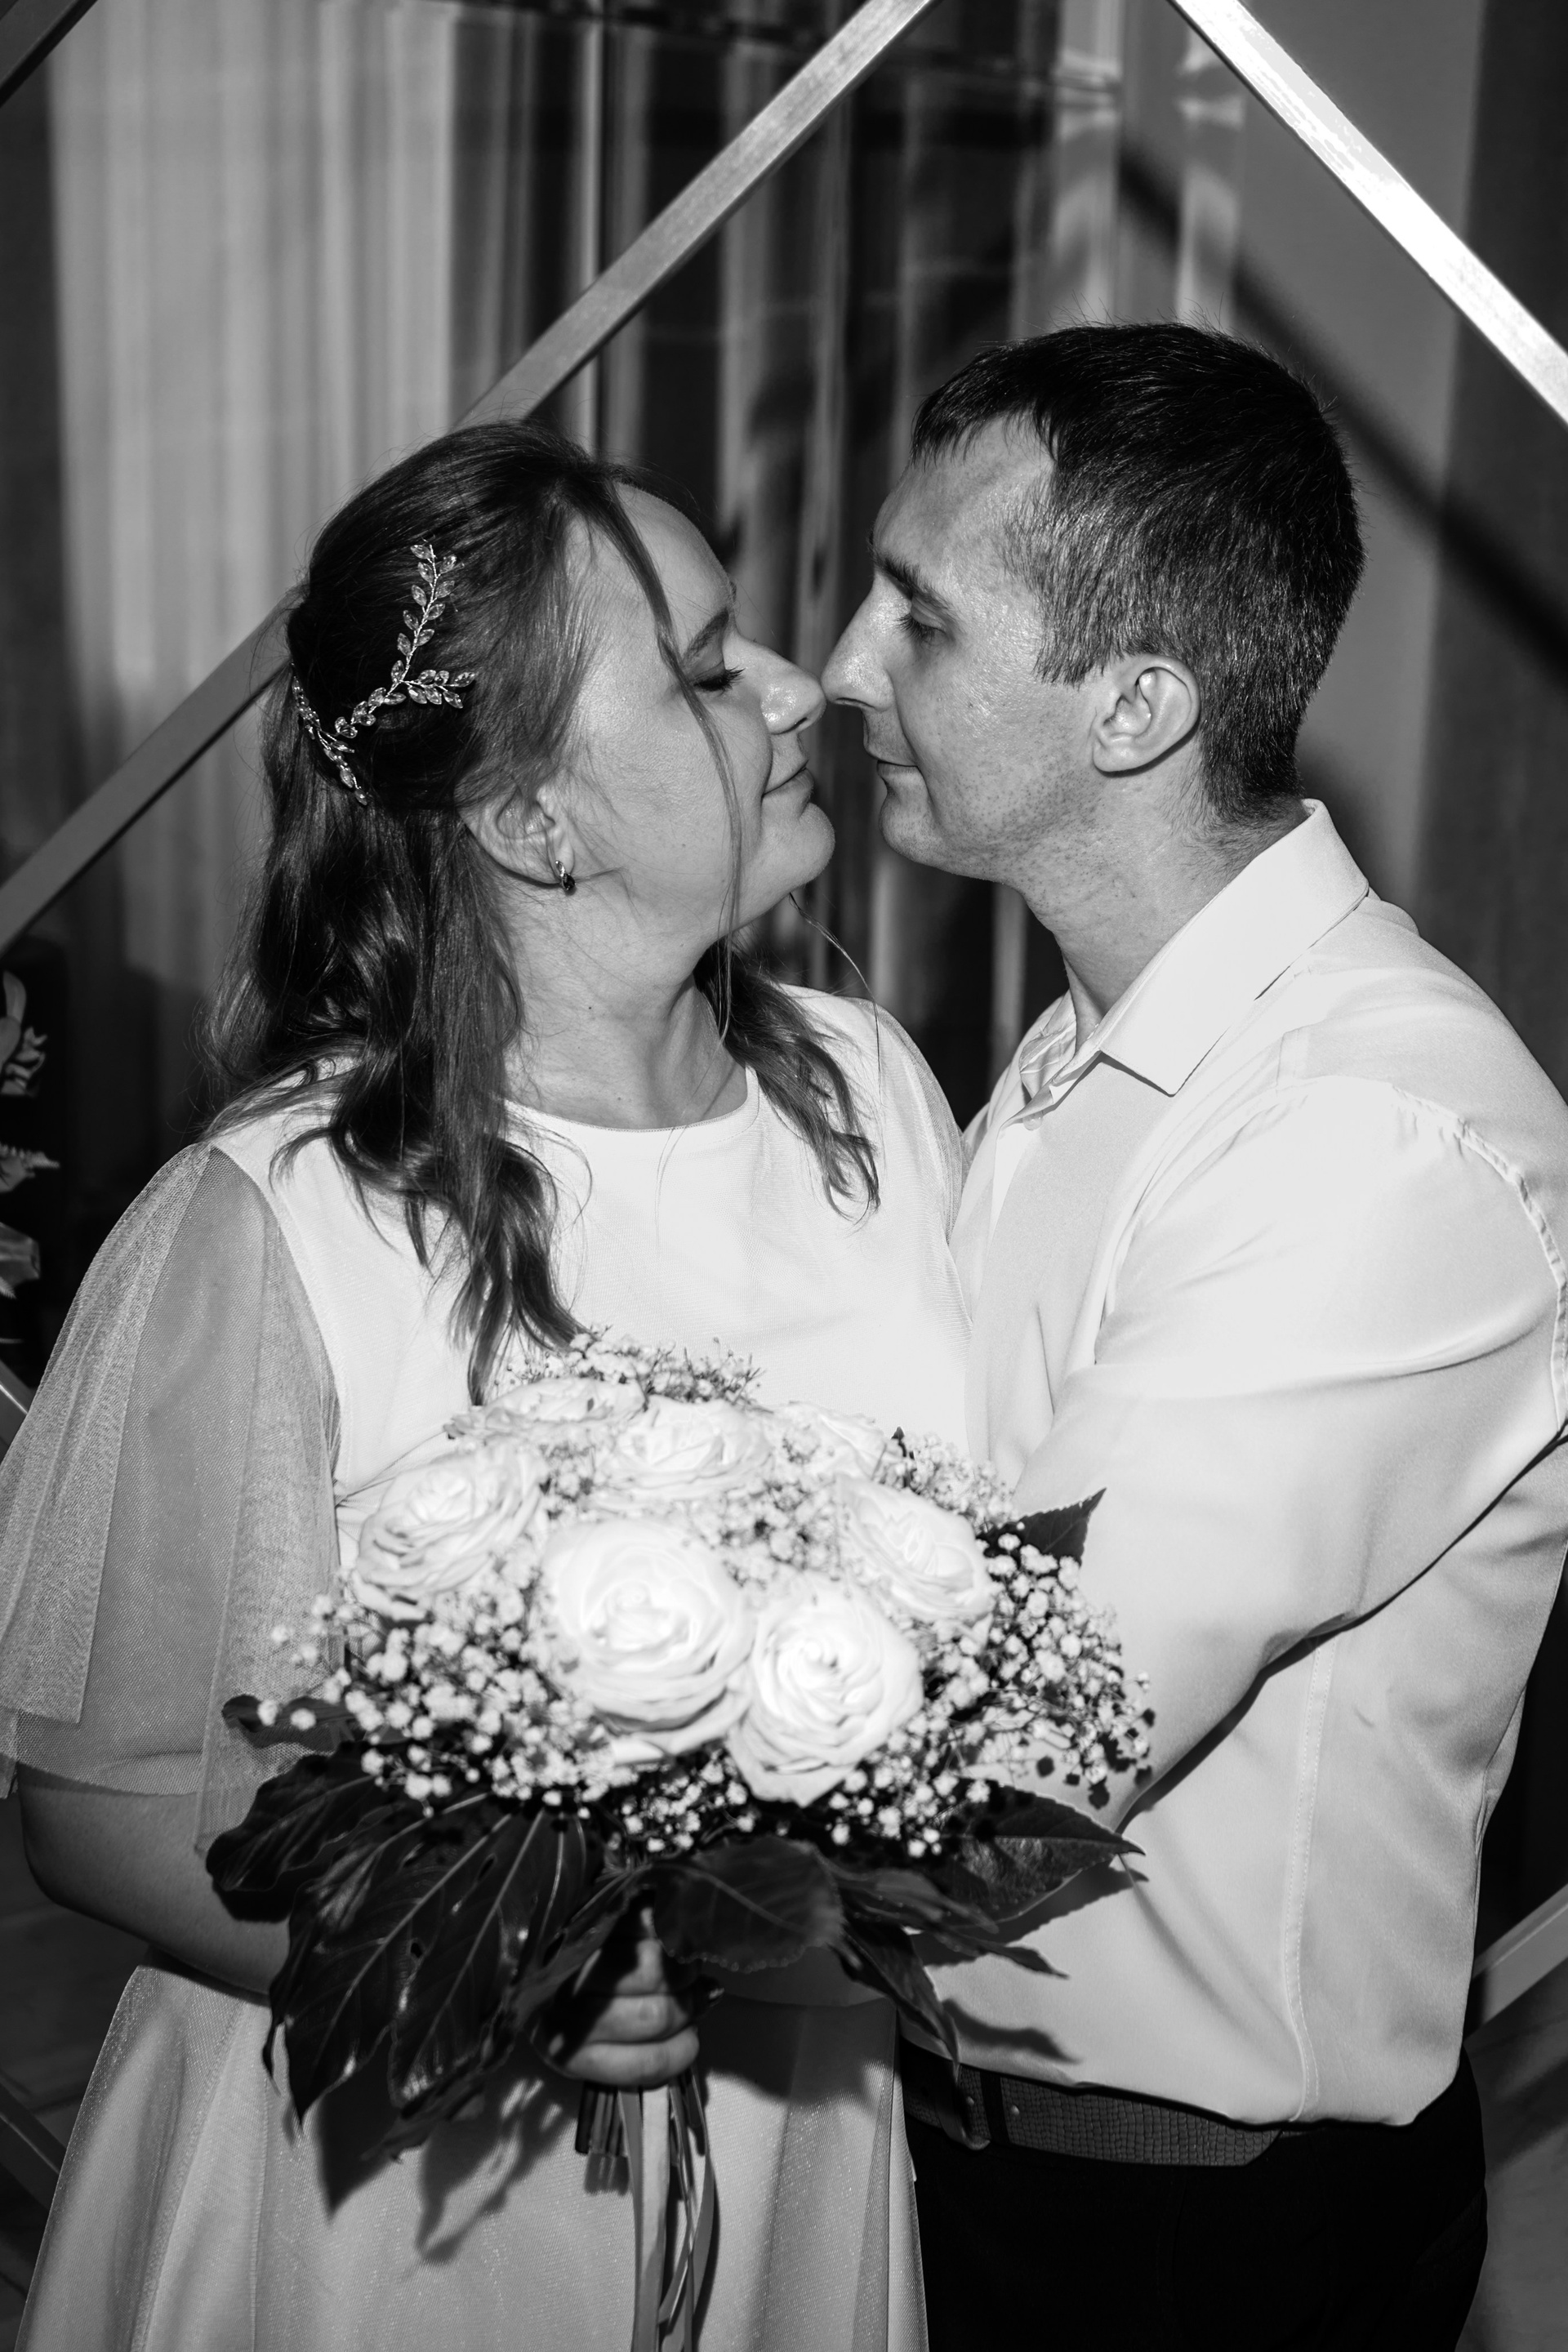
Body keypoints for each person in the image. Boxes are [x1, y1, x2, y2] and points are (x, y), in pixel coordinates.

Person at [0, 420, 969, 2350]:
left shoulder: (872, 1091)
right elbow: (97, 1812)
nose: (797, 692)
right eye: (706, 670)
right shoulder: (285, 1216)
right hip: (410, 2189)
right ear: (533, 822)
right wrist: (497, 1956)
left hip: (805, 2116)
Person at [823, 322, 1568, 2350]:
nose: (847, 670)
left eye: (919, 618)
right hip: (970, 2148)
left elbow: (1035, 1706)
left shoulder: (1371, 1130)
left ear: (1136, 705)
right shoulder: (1090, 1051)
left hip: (1196, 2236)